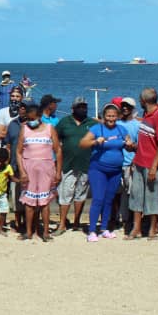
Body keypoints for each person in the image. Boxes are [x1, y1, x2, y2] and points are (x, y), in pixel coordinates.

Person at [80, 104, 132, 242]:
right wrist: (95, 141)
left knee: (109, 200)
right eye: (108, 116)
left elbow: (131, 146)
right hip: (98, 169)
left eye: (114, 116)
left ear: (118, 116)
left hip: (115, 170)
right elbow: (82, 143)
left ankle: (104, 228)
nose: (111, 118)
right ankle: (92, 230)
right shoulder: (97, 128)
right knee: (98, 199)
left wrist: (129, 144)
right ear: (104, 116)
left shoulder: (121, 129)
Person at [127, 88, 158, 240]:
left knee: (154, 196)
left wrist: (154, 166)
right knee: (137, 196)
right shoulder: (147, 115)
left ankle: (153, 228)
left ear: (143, 101)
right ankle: (136, 227)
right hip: (140, 161)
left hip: (152, 164)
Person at [14, 103, 61, 241]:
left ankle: (45, 232)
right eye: (29, 119)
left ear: (40, 117)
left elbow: (58, 151)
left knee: (44, 202)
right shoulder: (24, 129)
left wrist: (58, 172)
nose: (31, 121)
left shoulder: (49, 128)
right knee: (29, 203)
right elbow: (18, 152)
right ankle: (28, 232)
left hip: (46, 168)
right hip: (29, 169)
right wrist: (22, 171)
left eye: (33, 118)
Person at [55, 96, 96, 234]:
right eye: (79, 107)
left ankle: (77, 222)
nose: (82, 109)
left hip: (86, 164)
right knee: (65, 194)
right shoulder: (64, 122)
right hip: (67, 164)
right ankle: (62, 224)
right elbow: (55, 138)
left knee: (81, 194)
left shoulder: (92, 123)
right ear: (73, 109)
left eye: (84, 106)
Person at [115, 97, 141, 231]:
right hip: (116, 164)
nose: (125, 108)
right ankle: (119, 219)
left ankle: (130, 221)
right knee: (117, 194)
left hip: (130, 164)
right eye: (123, 106)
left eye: (128, 106)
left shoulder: (137, 125)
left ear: (132, 108)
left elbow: (141, 146)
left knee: (131, 193)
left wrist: (133, 146)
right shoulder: (116, 124)